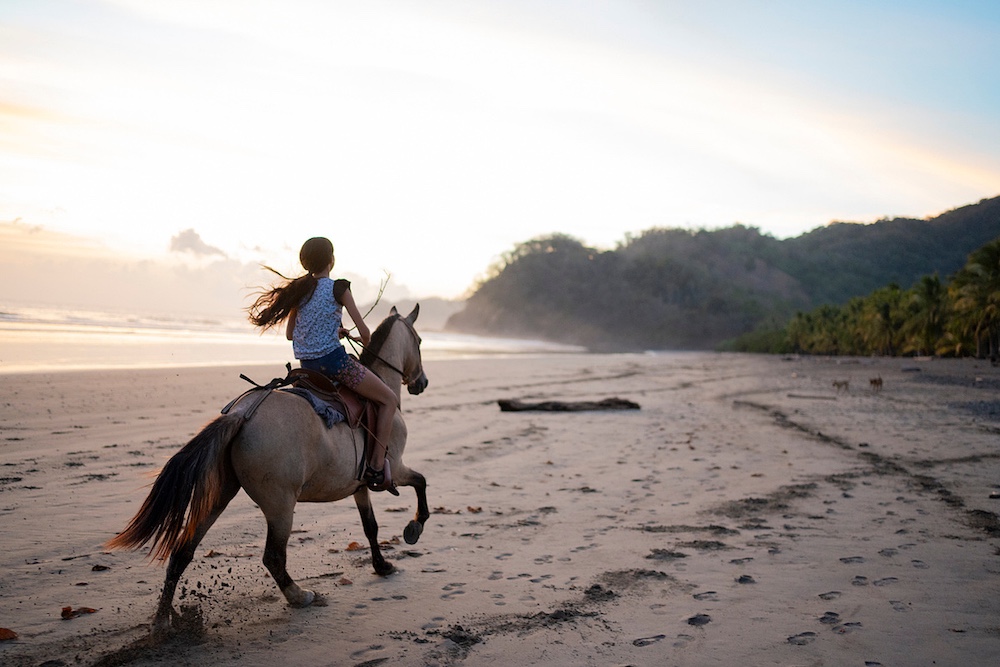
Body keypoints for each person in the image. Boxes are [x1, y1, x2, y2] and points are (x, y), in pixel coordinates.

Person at [248, 237, 399, 494]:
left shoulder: (300, 291)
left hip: (306, 367)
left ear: (306, 262)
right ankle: (375, 466)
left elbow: (290, 334)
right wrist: (350, 333)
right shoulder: (338, 288)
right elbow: (365, 334)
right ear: (332, 260)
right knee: (388, 399)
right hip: (335, 364)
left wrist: (332, 330)